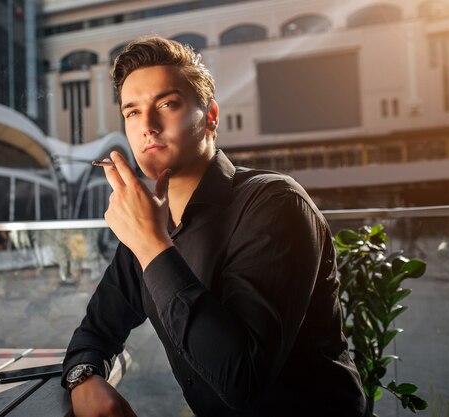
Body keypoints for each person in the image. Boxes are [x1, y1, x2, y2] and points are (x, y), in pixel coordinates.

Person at [62, 36, 368, 417]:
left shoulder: (275, 204)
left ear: (210, 116)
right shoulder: (152, 223)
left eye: (167, 104)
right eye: (132, 112)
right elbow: (94, 332)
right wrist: (83, 379)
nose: (148, 126)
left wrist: (152, 244)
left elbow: (242, 381)